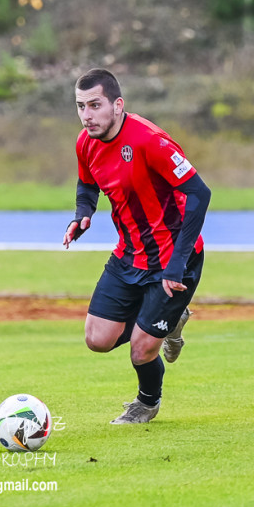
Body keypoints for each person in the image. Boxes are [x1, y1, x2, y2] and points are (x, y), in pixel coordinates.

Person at [63, 68, 212, 425]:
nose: (87, 115)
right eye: (81, 106)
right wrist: (82, 214)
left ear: (117, 105)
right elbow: (88, 184)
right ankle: (168, 322)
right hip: (128, 254)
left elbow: (199, 193)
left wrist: (176, 263)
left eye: (95, 105)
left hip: (175, 257)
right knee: (96, 339)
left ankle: (146, 403)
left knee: (142, 348)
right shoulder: (86, 142)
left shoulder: (150, 141)